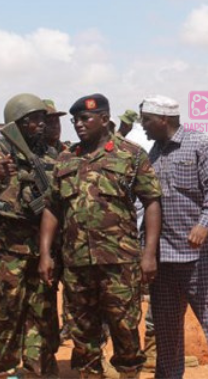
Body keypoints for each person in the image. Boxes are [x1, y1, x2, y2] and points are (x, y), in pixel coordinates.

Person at [39, 94, 162, 379]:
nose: (78, 125)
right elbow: (52, 208)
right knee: (83, 334)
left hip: (120, 262)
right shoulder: (66, 158)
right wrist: (45, 254)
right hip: (77, 264)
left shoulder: (131, 155)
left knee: (125, 329)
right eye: (75, 120)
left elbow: (152, 202)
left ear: (105, 119)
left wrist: (149, 254)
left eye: (85, 119)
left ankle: (128, 373)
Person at [141, 95, 208, 379]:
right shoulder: (153, 153)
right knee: (166, 327)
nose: (143, 125)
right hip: (164, 258)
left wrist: (204, 223)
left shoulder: (200, 144)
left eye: (146, 120)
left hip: (201, 257)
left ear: (163, 119)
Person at [0, 93, 59, 379]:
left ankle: (37, 370)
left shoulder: (51, 154)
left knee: (42, 314)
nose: (41, 124)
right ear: (17, 123)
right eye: (34, 119)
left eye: (43, 119)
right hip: (8, 248)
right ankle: (3, 371)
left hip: (42, 249)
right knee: (7, 313)